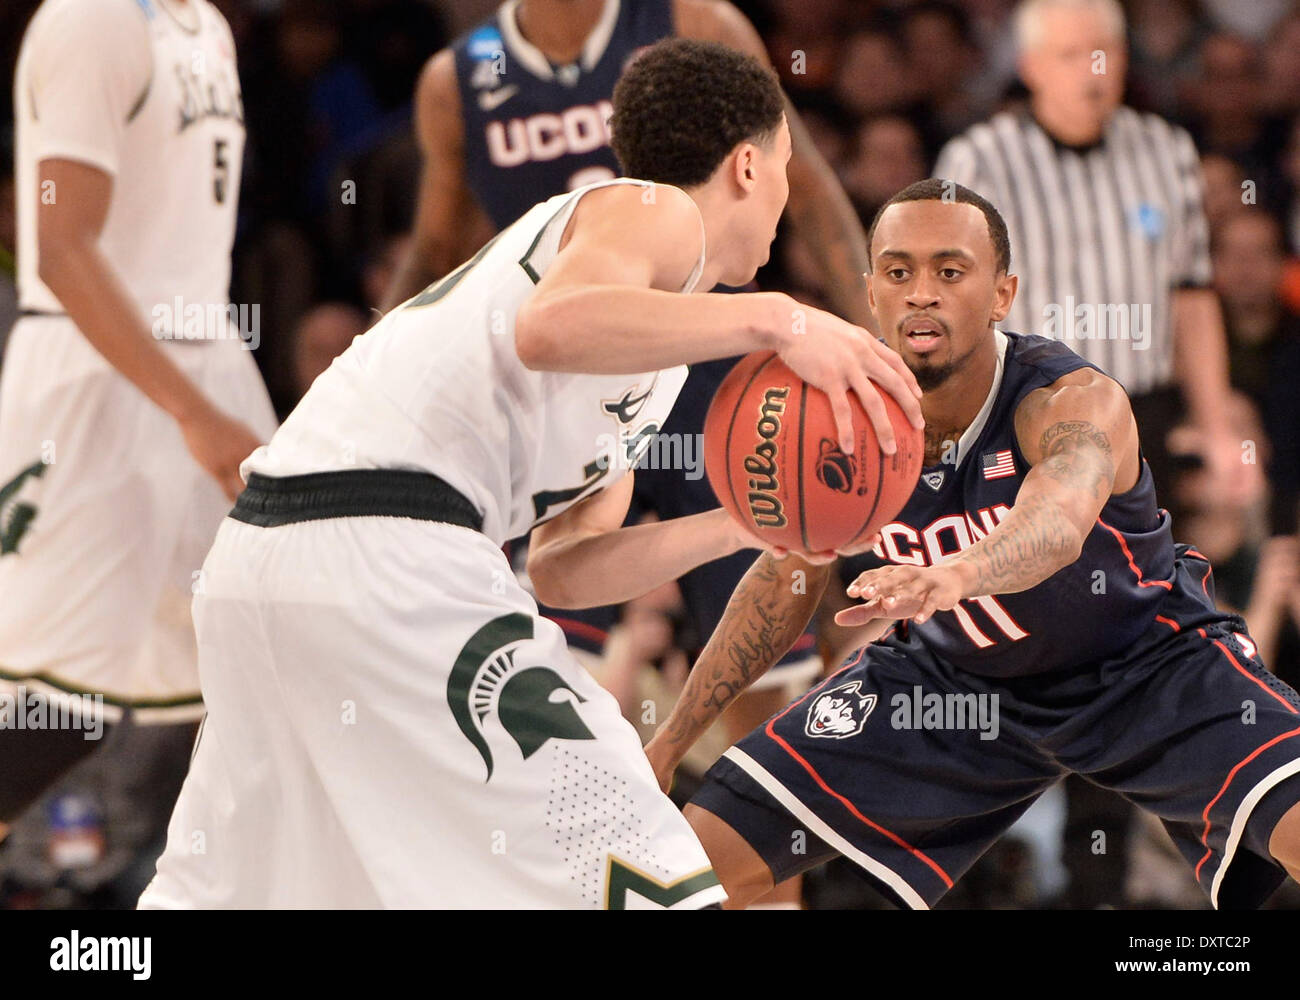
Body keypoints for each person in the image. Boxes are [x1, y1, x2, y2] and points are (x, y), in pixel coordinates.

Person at [137, 39, 922, 910]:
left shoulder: (648, 353)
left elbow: (562, 568)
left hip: (269, 566)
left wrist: (743, 524)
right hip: (387, 555)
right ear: (746, 164)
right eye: (783, 169)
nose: (786, 199)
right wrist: (780, 320)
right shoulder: (654, 213)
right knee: (636, 872)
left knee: (265, 892)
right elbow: (547, 327)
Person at [646, 179, 1300, 911]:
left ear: (1001, 293)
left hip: (1143, 663)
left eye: (949, 272)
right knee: (686, 866)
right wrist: (673, 737)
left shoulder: (1070, 399)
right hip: (951, 685)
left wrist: (957, 574)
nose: (921, 293)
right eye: (898, 272)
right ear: (871, 292)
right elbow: (781, 581)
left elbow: (1057, 522)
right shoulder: (840, 419)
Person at [0, 0, 276, 847]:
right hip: (102, 381)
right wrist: (196, 413)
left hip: (206, 359)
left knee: (279, 660)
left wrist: (209, 400)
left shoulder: (206, 25)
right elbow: (62, 249)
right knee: (53, 707)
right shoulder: (93, 18)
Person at [932, 0, 1246, 510]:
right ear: (1030, 66)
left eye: (1101, 53)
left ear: (1123, 57)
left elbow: (1191, 295)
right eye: (1069, 55)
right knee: (1036, 574)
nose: (1090, 71)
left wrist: (1215, 426)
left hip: (1143, 409)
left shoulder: (1167, 150)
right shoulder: (980, 160)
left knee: (1142, 575)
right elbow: (950, 300)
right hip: (1026, 409)